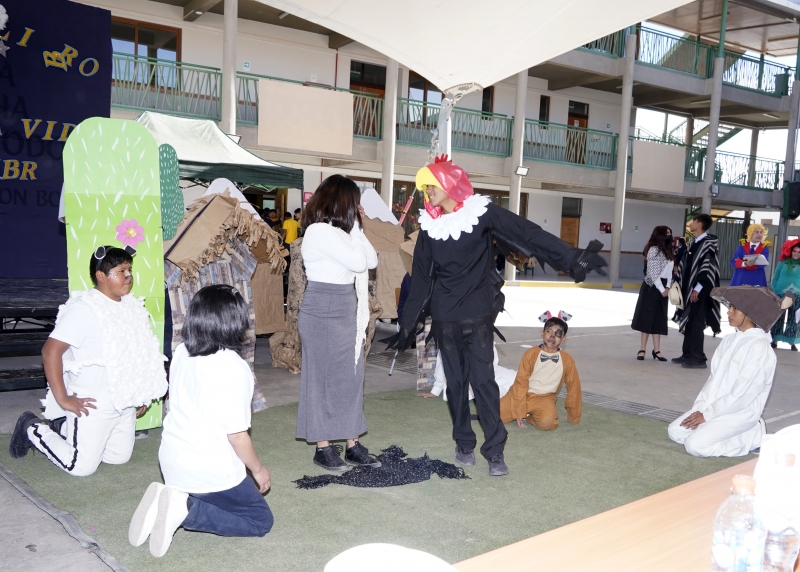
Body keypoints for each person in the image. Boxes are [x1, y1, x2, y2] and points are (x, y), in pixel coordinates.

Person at [387, 155, 606, 476]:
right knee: (457, 385)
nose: (426, 192)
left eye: (431, 184)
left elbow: (528, 233)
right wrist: (406, 325)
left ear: (449, 184)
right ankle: (464, 443)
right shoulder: (430, 228)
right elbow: (420, 281)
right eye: (424, 187)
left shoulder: (481, 213)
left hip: (476, 316)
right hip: (445, 317)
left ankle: (494, 450)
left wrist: (573, 257)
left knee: (483, 382)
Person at [128, 284, 273, 557]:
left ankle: (169, 500)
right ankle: (185, 511)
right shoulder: (233, 367)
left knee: (211, 498)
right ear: (235, 322)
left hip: (171, 462)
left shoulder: (182, 351)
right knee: (260, 521)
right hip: (209, 471)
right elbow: (237, 436)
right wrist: (258, 470)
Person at [9, 246, 167, 476]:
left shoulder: (131, 306)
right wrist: (63, 399)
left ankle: (63, 427)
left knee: (118, 458)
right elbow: (50, 352)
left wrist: (140, 392)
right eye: (121, 271)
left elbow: (138, 353)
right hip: (93, 404)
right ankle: (31, 427)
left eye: (129, 269)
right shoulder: (84, 309)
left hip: (122, 403)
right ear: (101, 276)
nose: (128, 276)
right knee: (80, 467)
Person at [297, 175, 381, 471]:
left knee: (351, 377)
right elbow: (359, 264)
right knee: (321, 380)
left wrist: (357, 226)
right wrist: (356, 226)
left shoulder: (343, 232)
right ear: (343, 201)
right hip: (322, 308)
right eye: (355, 202)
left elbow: (370, 261)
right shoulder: (319, 231)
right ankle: (323, 447)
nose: (358, 207)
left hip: (346, 307)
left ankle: (352, 444)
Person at [668, 286, 795, 457]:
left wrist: (707, 415)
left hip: (740, 413)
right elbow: (713, 381)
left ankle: (751, 437)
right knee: (675, 431)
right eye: (730, 307)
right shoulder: (729, 340)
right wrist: (701, 410)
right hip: (714, 408)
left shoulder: (759, 348)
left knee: (695, 445)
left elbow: (743, 395)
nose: (729, 312)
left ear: (751, 314)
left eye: (735, 308)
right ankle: (724, 432)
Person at [500, 313, 582, 431]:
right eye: (549, 331)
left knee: (548, 424)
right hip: (523, 394)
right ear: (542, 333)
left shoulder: (567, 360)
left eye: (558, 333)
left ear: (563, 339)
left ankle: (531, 417)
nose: (552, 336)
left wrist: (574, 415)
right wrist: (519, 410)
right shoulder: (530, 354)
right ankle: (516, 408)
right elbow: (521, 382)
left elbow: (574, 386)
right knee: (494, 416)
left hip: (545, 398)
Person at [672, 213, 721, 369]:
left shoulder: (709, 243)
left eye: (693, 221)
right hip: (688, 291)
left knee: (697, 323)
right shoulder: (694, 242)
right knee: (690, 322)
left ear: (699, 224)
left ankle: (699, 358)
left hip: (699, 292)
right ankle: (687, 354)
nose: (691, 223)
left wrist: (698, 289)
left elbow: (707, 268)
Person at [631, 226, 674, 361]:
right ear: (660, 235)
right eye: (667, 233)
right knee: (647, 318)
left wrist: (668, 287)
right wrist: (663, 290)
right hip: (652, 287)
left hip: (663, 288)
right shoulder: (653, 250)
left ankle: (657, 350)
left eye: (670, 233)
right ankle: (642, 349)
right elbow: (653, 274)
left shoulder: (669, 251)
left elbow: (670, 273)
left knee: (658, 319)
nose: (670, 236)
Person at [770, 238, 800, 350]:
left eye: (799, 252)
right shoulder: (783, 262)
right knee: (778, 317)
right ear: (790, 251)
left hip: (798, 295)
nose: (796, 254)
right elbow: (775, 277)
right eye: (794, 251)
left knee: (794, 319)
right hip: (780, 294)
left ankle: (792, 342)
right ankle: (775, 340)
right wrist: (773, 290)